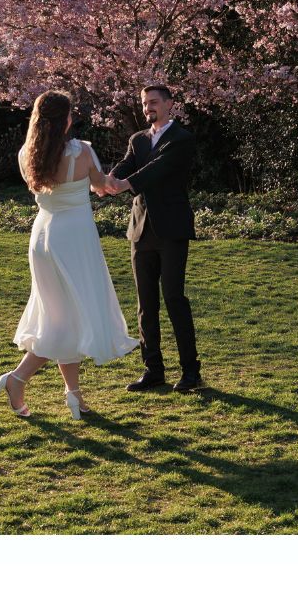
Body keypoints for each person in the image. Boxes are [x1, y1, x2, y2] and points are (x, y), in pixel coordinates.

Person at [0, 90, 139, 420]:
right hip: (73, 239)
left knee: (62, 317)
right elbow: (103, 186)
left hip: (43, 237)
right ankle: (17, 378)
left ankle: (74, 395)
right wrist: (127, 180)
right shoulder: (82, 151)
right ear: (67, 119)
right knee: (62, 322)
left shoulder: (26, 154)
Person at [110, 83, 204, 393]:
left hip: (172, 229)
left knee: (174, 299)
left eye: (153, 102)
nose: (147, 107)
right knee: (145, 304)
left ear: (169, 104)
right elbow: (127, 164)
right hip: (140, 230)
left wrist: (123, 184)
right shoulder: (138, 139)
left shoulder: (182, 139)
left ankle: (191, 372)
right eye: (144, 103)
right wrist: (106, 179)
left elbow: (156, 170)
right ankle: (153, 370)